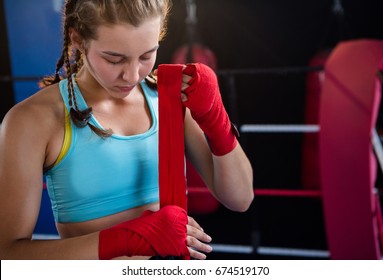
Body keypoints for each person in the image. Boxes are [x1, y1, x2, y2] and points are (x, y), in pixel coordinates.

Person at [0, 0, 253, 260]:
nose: (132, 76)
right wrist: (123, 240)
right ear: (77, 38)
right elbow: (7, 255)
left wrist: (216, 119)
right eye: (114, 59)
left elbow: (240, 199)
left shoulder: (167, 98)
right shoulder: (33, 120)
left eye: (146, 56)